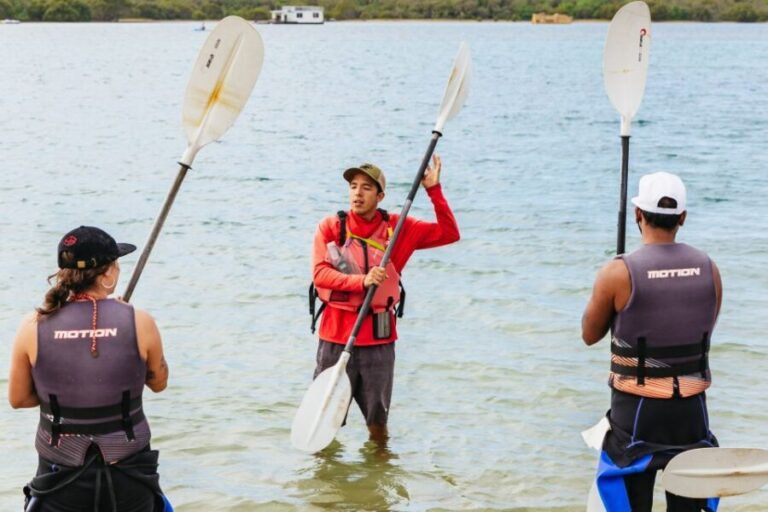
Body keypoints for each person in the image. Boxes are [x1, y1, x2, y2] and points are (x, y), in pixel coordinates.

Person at [581, 172, 722, 512]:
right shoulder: (709, 268)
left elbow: (589, 334)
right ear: (683, 218)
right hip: (692, 418)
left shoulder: (618, 272)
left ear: (637, 215)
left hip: (636, 418)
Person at [8, 226, 171, 512]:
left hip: (59, 479)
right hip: (129, 477)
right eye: (116, 264)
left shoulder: (32, 325)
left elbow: (18, 399)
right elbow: (158, 382)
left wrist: (61, 394)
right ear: (107, 274)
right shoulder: (140, 321)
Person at [309, 155, 460, 444]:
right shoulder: (330, 227)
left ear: (380, 196)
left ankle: (378, 478)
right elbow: (320, 276)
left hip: (378, 343)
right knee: (324, 425)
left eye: (367, 187)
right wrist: (361, 281)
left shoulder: (400, 228)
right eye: (353, 186)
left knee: (378, 428)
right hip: (335, 338)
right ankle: (327, 482)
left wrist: (434, 190)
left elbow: (450, 233)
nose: (357, 193)